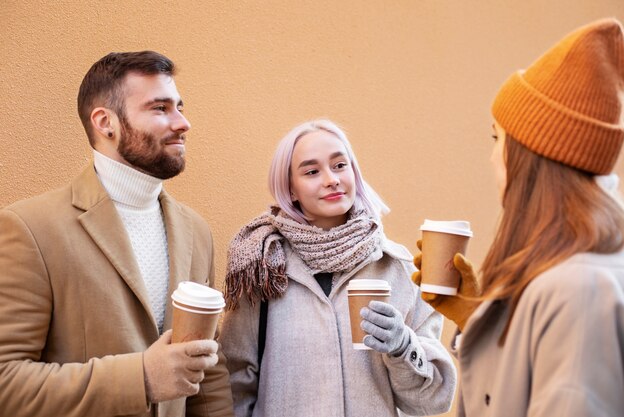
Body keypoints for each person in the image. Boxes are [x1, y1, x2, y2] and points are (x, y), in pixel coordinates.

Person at [0, 51, 234, 417]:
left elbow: (208, 371)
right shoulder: (29, 228)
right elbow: (6, 383)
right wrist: (140, 378)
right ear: (105, 122)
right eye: (160, 108)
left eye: (179, 106)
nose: (182, 122)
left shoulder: (196, 231)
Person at [413, 18, 624, 416]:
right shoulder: (567, 272)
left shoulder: (578, 292)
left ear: (530, 157)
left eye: (498, 138)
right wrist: (477, 318)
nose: (493, 156)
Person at [219, 119, 456, 416]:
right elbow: (235, 382)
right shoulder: (261, 267)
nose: (331, 179)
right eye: (312, 171)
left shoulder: (399, 269)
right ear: (290, 188)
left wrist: (401, 347)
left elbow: (433, 401)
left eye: (340, 165)